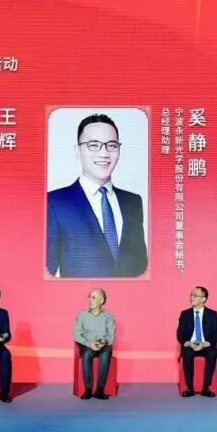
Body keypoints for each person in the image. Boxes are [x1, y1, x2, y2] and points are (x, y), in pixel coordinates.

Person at [47, 113, 148, 278]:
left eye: (112, 145)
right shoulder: (54, 203)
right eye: (93, 145)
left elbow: (141, 264)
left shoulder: (133, 202)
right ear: (78, 151)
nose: (104, 153)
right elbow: (45, 273)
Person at [176, 286, 217, 397]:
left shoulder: (212, 314)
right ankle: (189, 388)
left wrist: (204, 344)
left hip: (205, 345)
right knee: (187, 352)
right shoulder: (185, 314)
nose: (192, 298)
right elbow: (180, 335)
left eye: (195, 295)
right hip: (190, 344)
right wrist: (190, 343)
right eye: (191, 295)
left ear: (203, 299)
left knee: (212, 353)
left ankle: (206, 388)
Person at [73, 288, 116, 399]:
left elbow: (111, 335)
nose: (90, 300)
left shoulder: (108, 316)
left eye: (93, 297)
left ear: (102, 301)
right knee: (87, 354)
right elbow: (76, 334)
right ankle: (88, 390)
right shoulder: (82, 315)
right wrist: (88, 343)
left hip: (103, 346)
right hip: (87, 345)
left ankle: (99, 390)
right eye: (90, 297)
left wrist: (104, 342)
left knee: (106, 354)